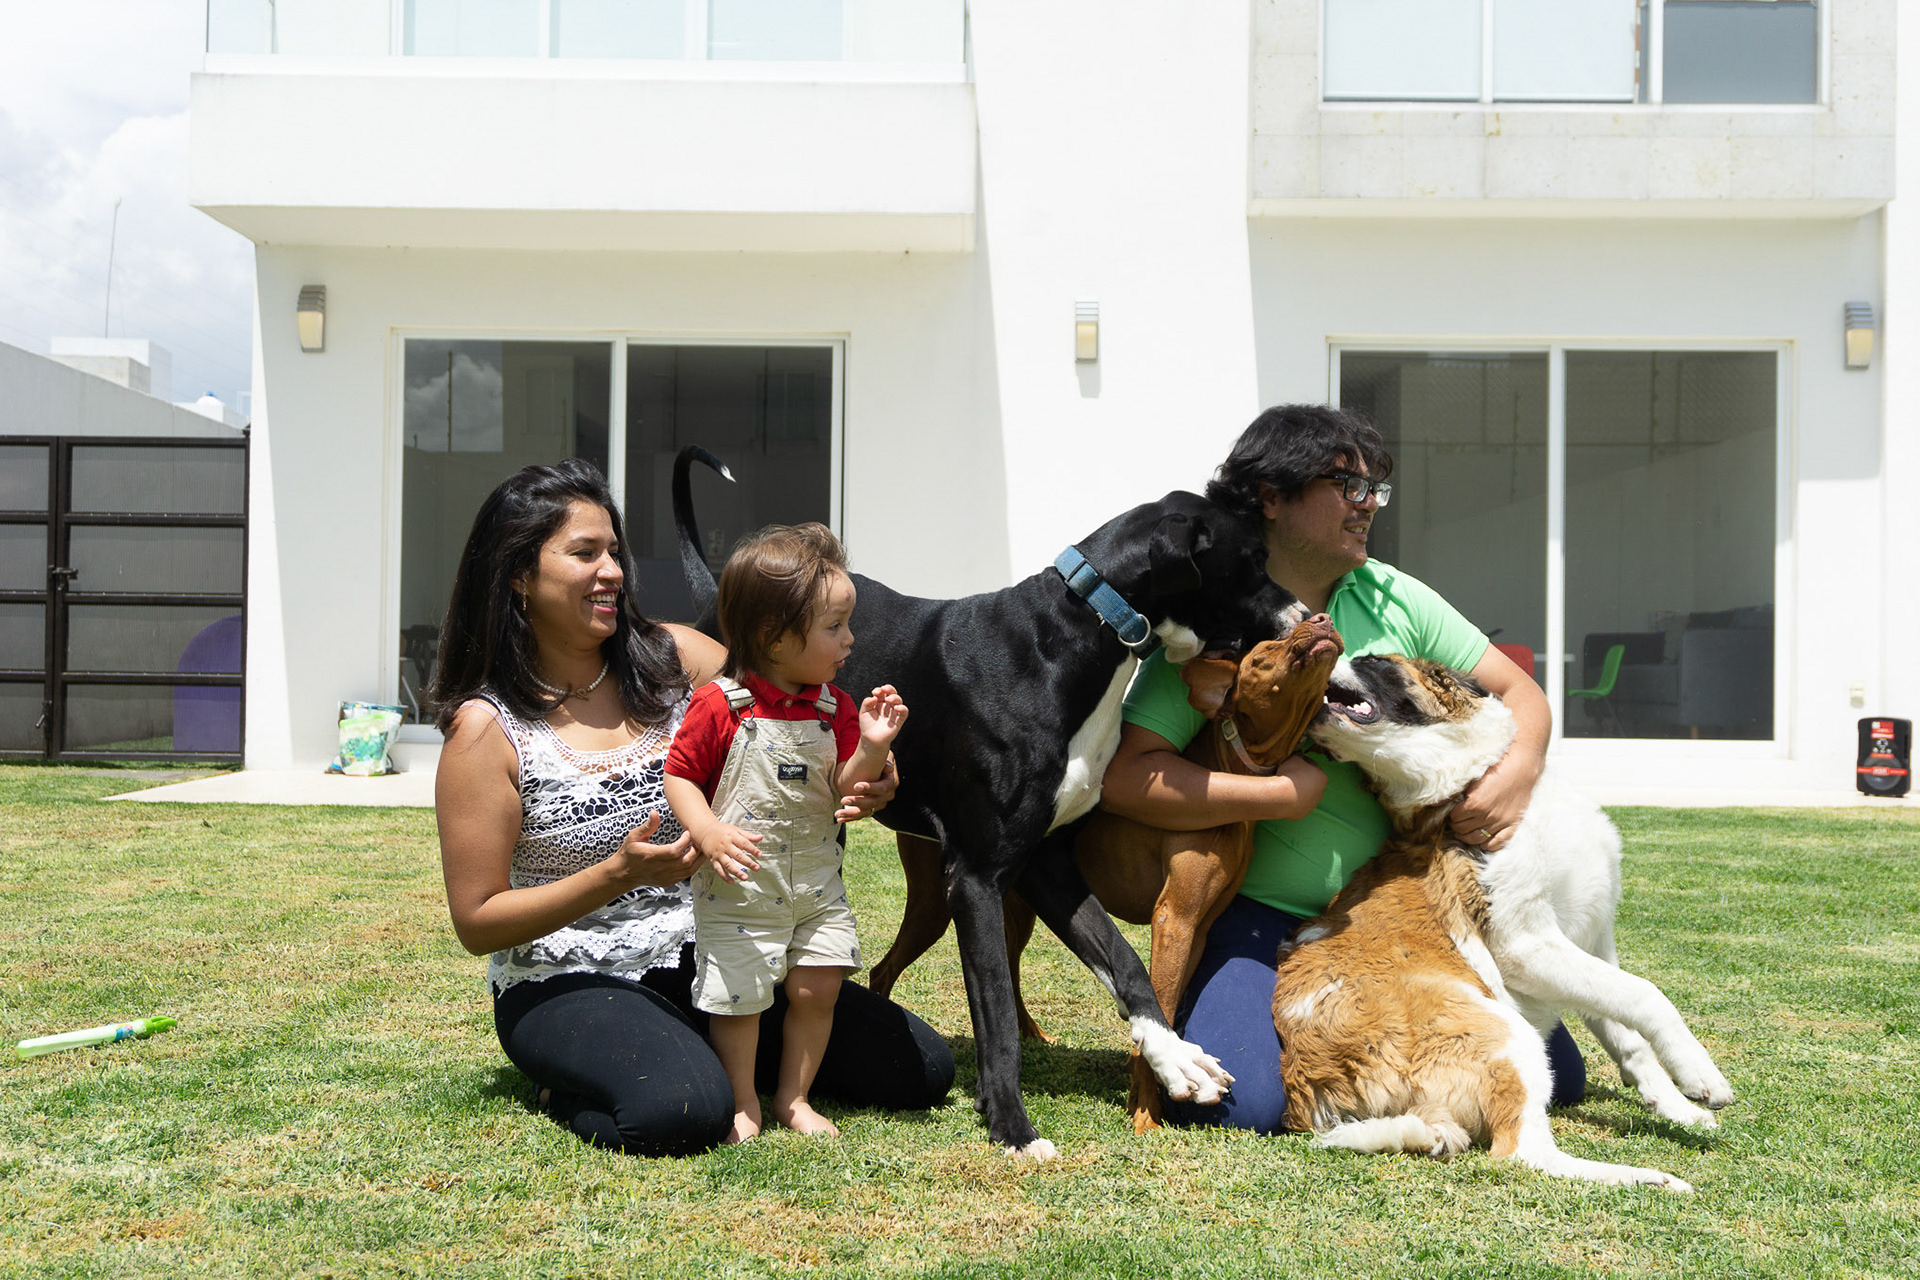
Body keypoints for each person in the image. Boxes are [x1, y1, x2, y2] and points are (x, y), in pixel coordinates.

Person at [431, 460, 952, 1157]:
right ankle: (571, 1079)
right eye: (585, 553)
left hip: (714, 944)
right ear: (519, 575)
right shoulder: (487, 730)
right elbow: (477, 922)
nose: (612, 569)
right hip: (564, 976)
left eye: (613, 549)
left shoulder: (677, 658)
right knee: (680, 1111)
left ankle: (715, 1051)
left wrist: (866, 776)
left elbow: (791, 686)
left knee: (919, 1066)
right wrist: (615, 876)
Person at [1100, 403, 1582, 1134]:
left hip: (1402, 916)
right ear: (1270, 496)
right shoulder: (1219, 617)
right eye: (1346, 486)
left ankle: (1399, 1078)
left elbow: (1523, 697)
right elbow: (1128, 776)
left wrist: (1515, 774)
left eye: (1374, 490)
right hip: (1258, 918)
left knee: (1561, 1077)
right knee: (1244, 1106)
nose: (1369, 507)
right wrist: (1273, 796)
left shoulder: (1395, 597)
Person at [664, 523, 909, 1144]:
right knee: (740, 997)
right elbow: (680, 776)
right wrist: (708, 831)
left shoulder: (836, 708)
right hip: (743, 881)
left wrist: (875, 749)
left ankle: (792, 1098)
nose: (851, 640)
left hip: (817, 884)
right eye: (835, 627)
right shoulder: (723, 705)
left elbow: (847, 785)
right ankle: (743, 1099)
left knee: (818, 984)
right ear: (773, 636)